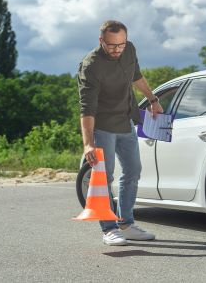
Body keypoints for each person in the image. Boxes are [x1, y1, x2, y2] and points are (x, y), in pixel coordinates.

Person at [77, 20, 163, 246]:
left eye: (121, 45)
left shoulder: (130, 49)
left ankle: (126, 223)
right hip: (102, 126)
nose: (117, 50)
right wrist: (88, 144)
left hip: (126, 122)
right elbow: (87, 109)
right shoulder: (91, 66)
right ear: (101, 41)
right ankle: (109, 229)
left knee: (133, 171)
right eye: (112, 45)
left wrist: (153, 100)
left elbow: (136, 76)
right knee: (105, 177)